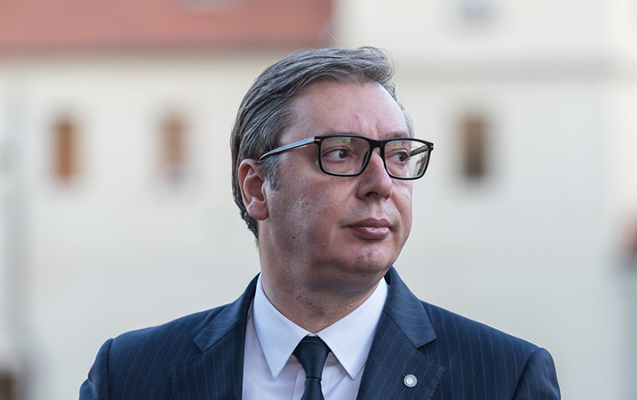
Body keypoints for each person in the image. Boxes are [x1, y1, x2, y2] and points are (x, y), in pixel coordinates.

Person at [80, 47, 560, 400]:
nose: (381, 183)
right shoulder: (130, 376)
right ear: (256, 188)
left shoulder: (505, 378)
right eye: (341, 153)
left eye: (398, 155)